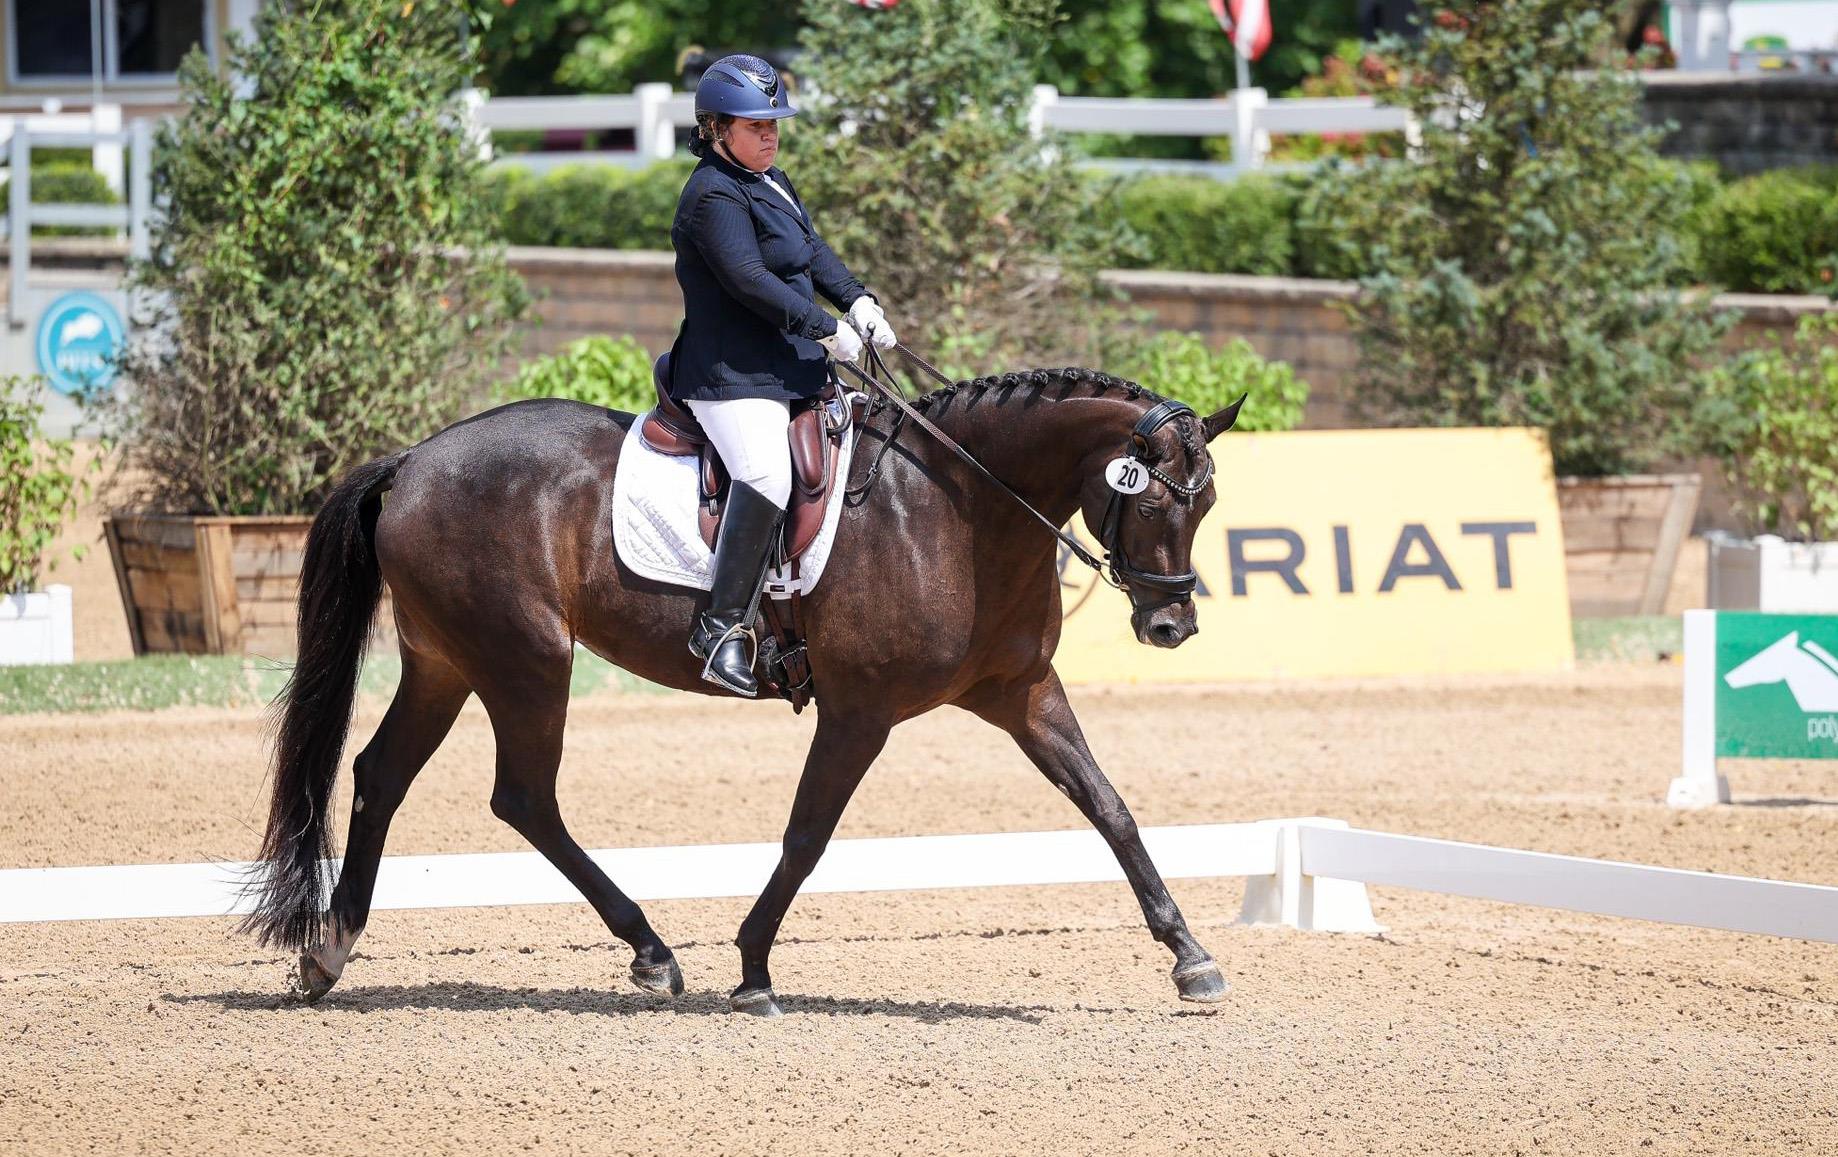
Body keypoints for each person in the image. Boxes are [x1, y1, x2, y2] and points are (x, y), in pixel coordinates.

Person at [666, 53, 897, 698]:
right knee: (766, 471)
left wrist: (856, 299)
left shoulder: (773, 180)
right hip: (731, 373)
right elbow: (748, 279)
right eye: (754, 125)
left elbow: (812, 252)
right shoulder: (711, 194)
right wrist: (824, 327)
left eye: (774, 124)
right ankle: (718, 627)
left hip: (787, 366)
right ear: (715, 128)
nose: (769, 135)